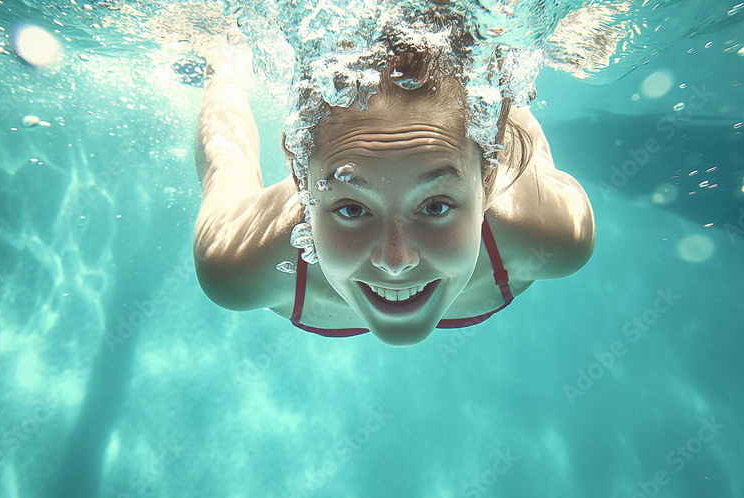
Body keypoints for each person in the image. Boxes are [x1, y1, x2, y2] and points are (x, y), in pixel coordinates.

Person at [193, 45, 595, 347]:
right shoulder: (239, 264)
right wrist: (224, 68)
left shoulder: (551, 232)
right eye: (351, 208)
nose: (396, 261)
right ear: (302, 186)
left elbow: (510, 121)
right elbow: (225, 163)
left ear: (487, 186)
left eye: (436, 206)